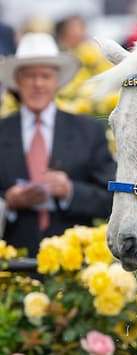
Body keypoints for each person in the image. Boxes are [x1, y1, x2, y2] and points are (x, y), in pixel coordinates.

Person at [0, 33, 115, 254]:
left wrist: (70, 191)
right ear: (17, 82)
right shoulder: (2, 131)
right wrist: (8, 203)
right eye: (29, 76)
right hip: (10, 262)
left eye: (45, 76)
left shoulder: (88, 131)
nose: (37, 83)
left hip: (74, 263)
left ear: (57, 81)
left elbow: (113, 199)